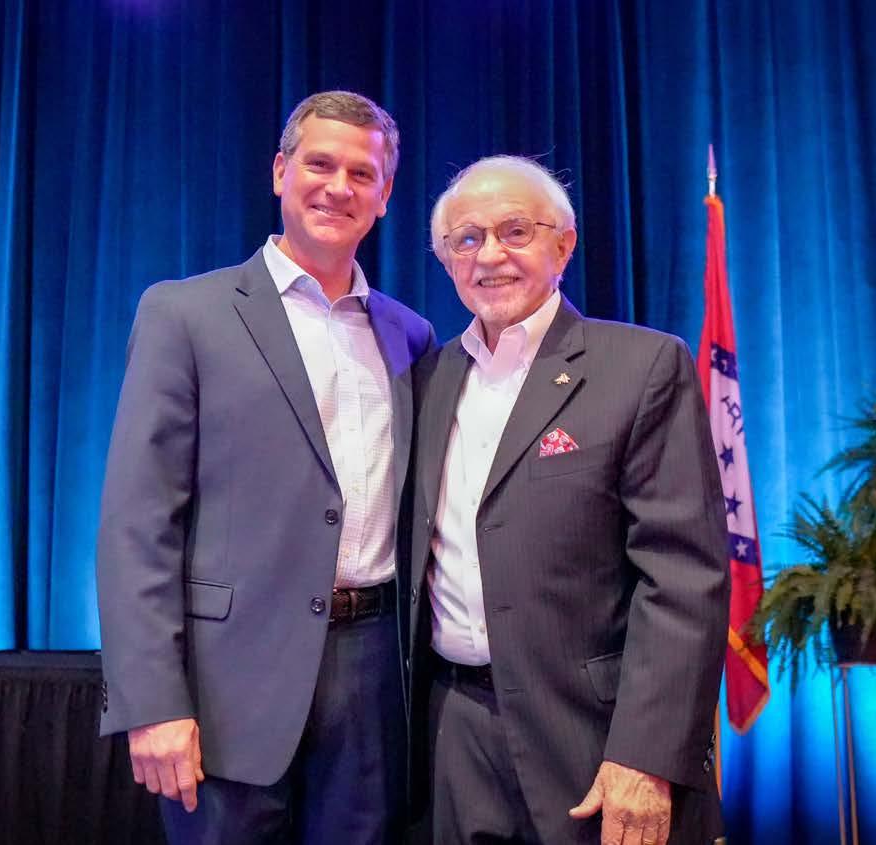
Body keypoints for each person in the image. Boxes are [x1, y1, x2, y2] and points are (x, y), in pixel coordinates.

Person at [96, 90, 435, 844]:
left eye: (362, 173)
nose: (338, 187)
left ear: (384, 196)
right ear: (281, 171)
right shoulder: (185, 313)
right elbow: (137, 524)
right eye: (320, 164)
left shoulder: (410, 335)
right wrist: (151, 700)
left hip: (375, 678)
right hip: (225, 687)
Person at [407, 155, 728, 845]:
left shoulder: (641, 366)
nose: (489, 255)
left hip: (597, 736)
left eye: (515, 231)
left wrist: (647, 755)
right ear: (446, 259)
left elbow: (683, 579)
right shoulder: (425, 379)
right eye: (467, 239)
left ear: (564, 244)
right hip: (453, 735)